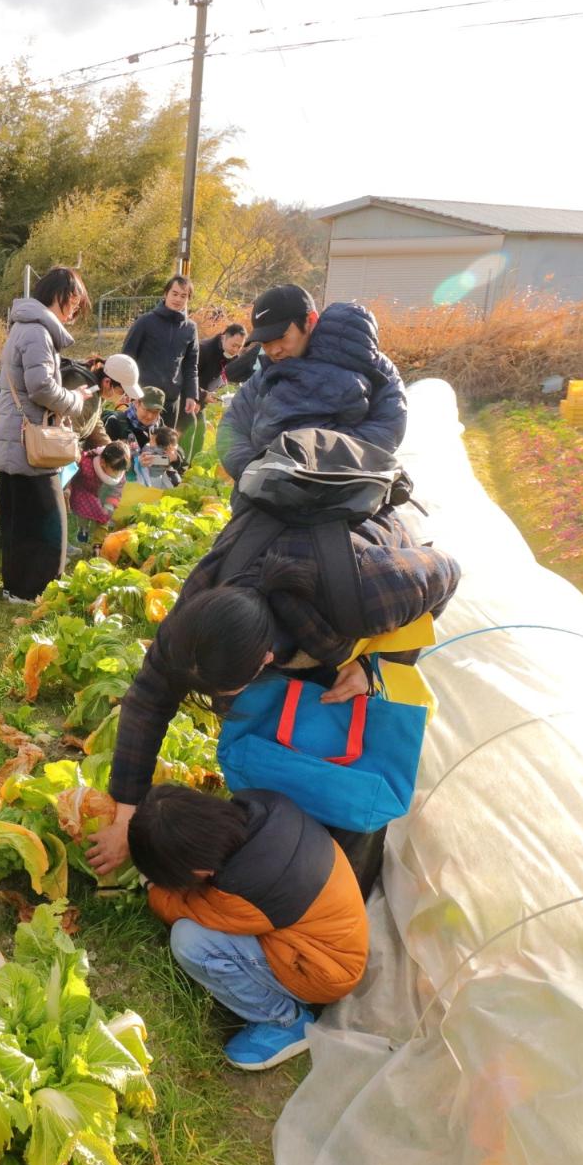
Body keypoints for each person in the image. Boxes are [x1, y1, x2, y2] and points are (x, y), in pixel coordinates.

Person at [84, 504, 459, 886]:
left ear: (265, 660)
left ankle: (344, 880)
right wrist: (126, 814)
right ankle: (277, 842)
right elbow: (148, 700)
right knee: (270, 743)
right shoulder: (202, 609)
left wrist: (372, 666)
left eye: (227, 689)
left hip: (346, 605)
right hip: (287, 588)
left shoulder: (370, 593)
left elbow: (448, 571)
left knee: (345, 769)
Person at [131, 783, 369, 1069]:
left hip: (321, 972)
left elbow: (188, 909)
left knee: (191, 941)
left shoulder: (244, 886)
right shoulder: (260, 806)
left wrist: (152, 888)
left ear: (198, 871)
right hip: (337, 940)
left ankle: (285, 1020)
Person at [218, 285, 407, 482]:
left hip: (340, 496)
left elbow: (388, 430)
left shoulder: (372, 364)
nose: (274, 350)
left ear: (310, 321)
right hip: (266, 494)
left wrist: (310, 465)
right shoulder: (267, 372)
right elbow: (232, 426)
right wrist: (253, 469)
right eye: (265, 342)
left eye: (281, 337)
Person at [0, 266, 96, 602]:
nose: (76, 310)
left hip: (16, 440)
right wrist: (75, 400)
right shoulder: (38, 331)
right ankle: (37, 590)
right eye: (75, 302)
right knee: (49, 522)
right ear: (61, 296)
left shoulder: (24, 326)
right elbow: (40, 387)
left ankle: (17, 588)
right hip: (31, 446)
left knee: (18, 520)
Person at [121, 275, 201, 429]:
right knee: (135, 445)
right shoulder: (145, 322)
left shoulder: (190, 328)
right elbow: (127, 357)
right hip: (143, 397)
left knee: (162, 448)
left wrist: (192, 395)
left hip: (170, 401)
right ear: (166, 294)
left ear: (188, 299)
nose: (178, 299)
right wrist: (126, 389)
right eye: (175, 293)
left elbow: (191, 365)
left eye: (183, 296)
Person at [67, 441, 131, 546]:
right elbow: (72, 474)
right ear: (102, 462)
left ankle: (98, 543)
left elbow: (116, 491)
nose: (117, 474)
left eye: (120, 471)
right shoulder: (87, 464)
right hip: (83, 492)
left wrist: (109, 505)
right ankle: (83, 529)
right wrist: (69, 488)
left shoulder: (119, 475)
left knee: (104, 516)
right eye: (115, 470)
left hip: (101, 495)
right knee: (83, 515)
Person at [103, 378, 163, 451]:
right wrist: (137, 460)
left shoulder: (159, 423)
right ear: (137, 403)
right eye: (147, 410)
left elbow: (174, 448)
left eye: (155, 412)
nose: (150, 416)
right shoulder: (115, 422)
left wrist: (174, 457)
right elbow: (106, 457)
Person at [197, 321, 247, 395]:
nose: (235, 350)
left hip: (208, 389)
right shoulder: (203, 350)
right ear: (223, 338)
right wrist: (203, 395)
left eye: (239, 347)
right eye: (233, 345)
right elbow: (186, 379)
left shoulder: (232, 356)